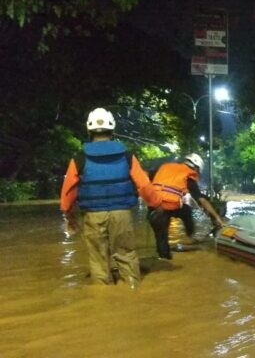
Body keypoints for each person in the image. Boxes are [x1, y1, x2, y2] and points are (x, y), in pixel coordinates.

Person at [60, 107, 162, 288]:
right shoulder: (128, 156)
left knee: (98, 260)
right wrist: (155, 204)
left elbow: (68, 192)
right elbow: (144, 185)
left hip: (93, 216)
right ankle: (132, 291)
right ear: (112, 129)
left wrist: (68, 214)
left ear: (89, 130)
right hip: (121, 214)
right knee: (126, 255)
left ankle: (103, 298)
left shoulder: (79, 159)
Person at [148, 153, 225, 259]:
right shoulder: (187, 175)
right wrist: (217, 218)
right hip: (167, 207)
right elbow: (201, 200)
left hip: (154, 208)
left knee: (162, 239)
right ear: (196, 167)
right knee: (186, 210)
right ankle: (190, 237)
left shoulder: (164, 167)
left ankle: (166, 254)